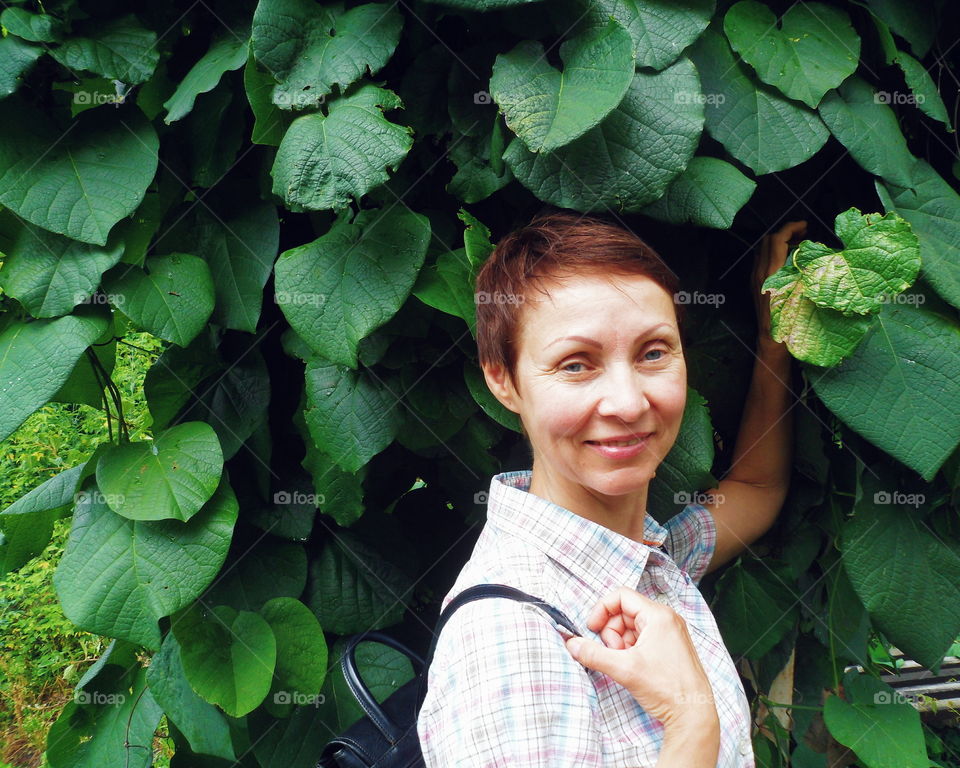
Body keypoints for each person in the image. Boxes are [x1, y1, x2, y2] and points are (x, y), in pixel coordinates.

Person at [416, 210, 804, 767]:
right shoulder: (510, 637)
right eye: (576, 364)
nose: (627, 403)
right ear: (502, 380)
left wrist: (774, 341)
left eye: (653, 353)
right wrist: (690, 721)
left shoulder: (644, 561)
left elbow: (757, 488)